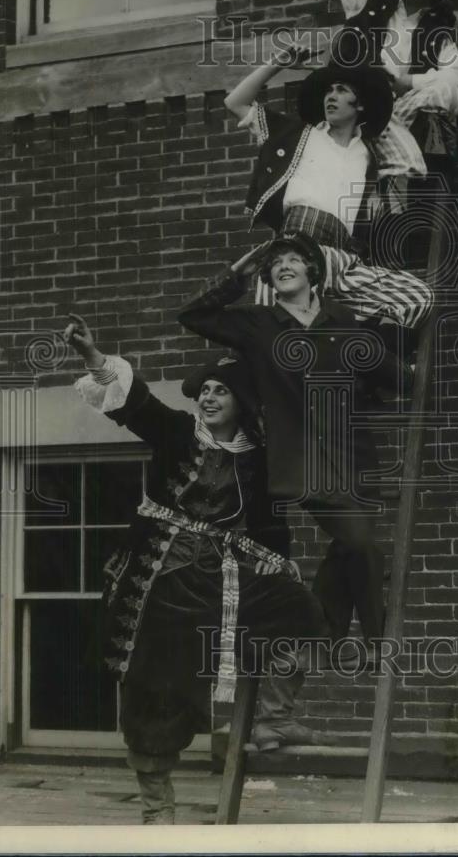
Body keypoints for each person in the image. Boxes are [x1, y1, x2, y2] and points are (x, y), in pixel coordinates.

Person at [63, 315, 329, 822]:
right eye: (203, 389)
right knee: (158, 689)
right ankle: (157, 808)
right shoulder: (179, 434)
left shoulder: (261, 460)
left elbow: (270, 530)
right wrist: (93, 356)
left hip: (223, 577)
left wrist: (281, 567)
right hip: (162, 578)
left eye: (220, 391)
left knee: (300, 608)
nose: (207, 398)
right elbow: (136, 404)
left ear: (241, 403)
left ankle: (273, 718)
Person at [178, 232, 414, 658]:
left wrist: (415, 366)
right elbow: (193, 314)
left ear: (312, 271)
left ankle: (325, 632)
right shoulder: (257, 324)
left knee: (352, 546)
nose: (283, 265)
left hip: (354, 458)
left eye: (293, 259)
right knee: (360, 543)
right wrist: (238, 275)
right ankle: (377, 644)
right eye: (276, 262)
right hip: (302, 463)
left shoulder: (341, 319)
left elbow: (381, 366)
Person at [223, 47, 434, 334]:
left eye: (341, 90)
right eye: (328, 91)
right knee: (277, 331)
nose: (330, 96)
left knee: (416, 298)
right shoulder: (299, 134)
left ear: (360, 104)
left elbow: (412, 164)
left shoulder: (369, 153)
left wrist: (383, 92)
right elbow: (235, 102)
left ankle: (369, 357)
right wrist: (278, 64)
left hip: (340, 258)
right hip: (294, 244)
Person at [326, 0, 458, 161]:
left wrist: (410, 82)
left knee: (447, 92)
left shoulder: (436, 34)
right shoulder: (370, 0)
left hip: (400, 121)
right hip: (356, 114)